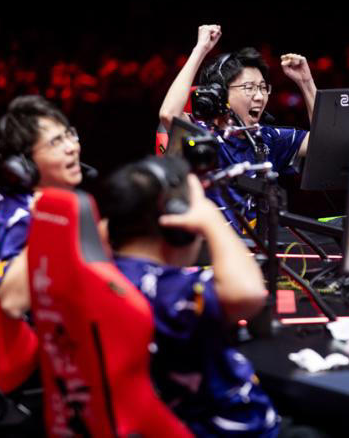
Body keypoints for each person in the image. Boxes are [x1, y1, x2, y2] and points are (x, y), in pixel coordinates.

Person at [100, 155, 278, 436]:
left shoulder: (103, 274)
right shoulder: (171, 290)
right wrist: (212, 220)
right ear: (179, 228)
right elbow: (249, 293)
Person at [159, 25, 317, 229]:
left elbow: (322, 144)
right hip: (216, 244)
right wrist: (200, 49)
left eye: (263, 88)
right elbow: (169, 114)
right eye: (249, 88)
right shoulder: (202, 136)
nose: (259, 97)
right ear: (222, 94)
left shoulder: (268, 138)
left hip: (264, 243)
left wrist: (306, 83)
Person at [0, 95, 83, 318]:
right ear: (24, 165)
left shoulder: (54, 202)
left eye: (69, 134)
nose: (71, 147)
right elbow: (10, 301)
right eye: (55, 142)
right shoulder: (20, 215)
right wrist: (47, 226)